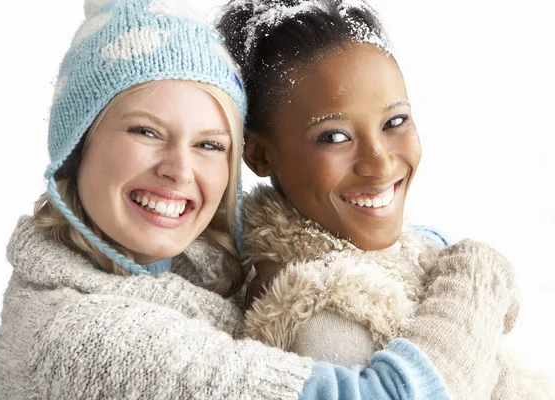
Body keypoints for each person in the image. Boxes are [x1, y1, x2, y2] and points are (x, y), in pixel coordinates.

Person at [0, 0, 517, 398]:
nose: (179, 170)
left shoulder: (191, 261)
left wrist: (423, 251)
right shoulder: (82, 338)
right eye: (146, 132)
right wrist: (475, 275)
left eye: (208, 145)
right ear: (76, 145)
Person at [216, 0, 552, 398]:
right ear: (258, 152)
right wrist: (478, 278)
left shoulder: (411, 252)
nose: (379, 162)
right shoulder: (321, 317)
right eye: (334, 136)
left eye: (395, 122)